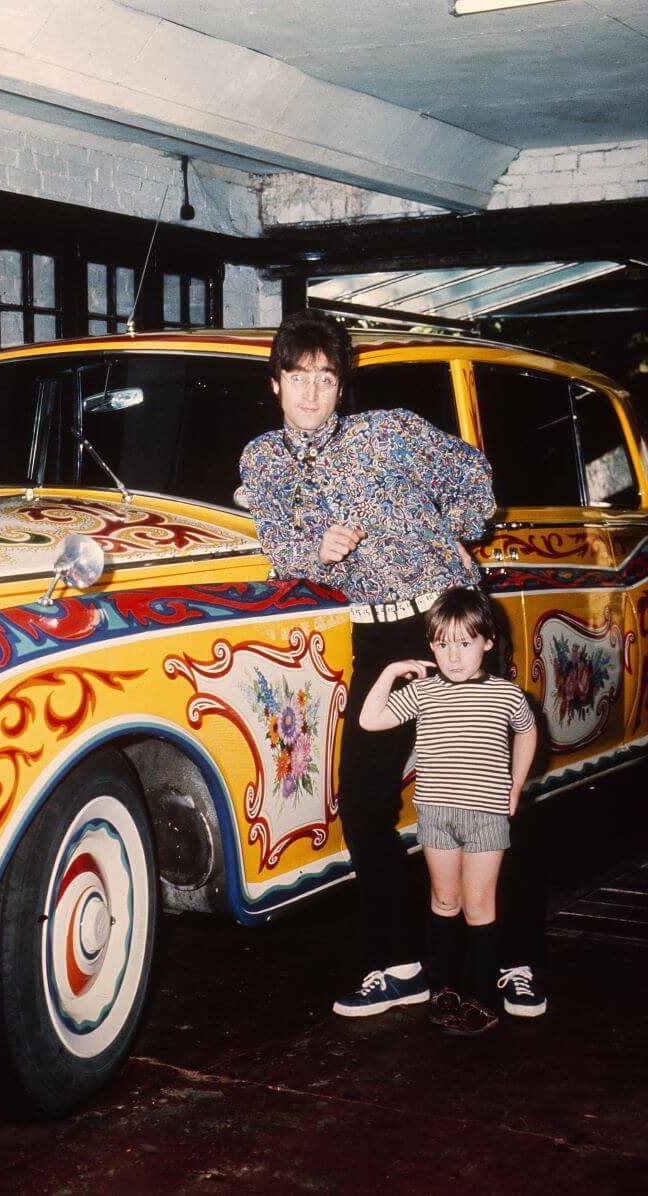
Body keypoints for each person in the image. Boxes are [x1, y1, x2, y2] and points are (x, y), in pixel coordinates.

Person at [235, 307, 518, 1017]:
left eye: (324, 379)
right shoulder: (262, 460)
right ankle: (404, 962)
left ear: (341, 386)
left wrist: (456, 534)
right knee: (362, 804)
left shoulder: (387, 431)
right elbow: (278, 545)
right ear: (276, 384)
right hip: (375, 635)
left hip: (446, 622)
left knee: (485, 797)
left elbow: (472, 473)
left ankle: (516, 959)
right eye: (297, 378)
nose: (310, 393)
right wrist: (315, 553)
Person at [358, 588, 537, 1035]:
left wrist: (515, 785)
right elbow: (370, 720)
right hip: (436, 814)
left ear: (488, 642)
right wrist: (390, 671)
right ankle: (446, 989)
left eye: (464, 643)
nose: (453, 656)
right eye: (441, 644)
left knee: (479, 906)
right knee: (444, 900)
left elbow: (528, 732)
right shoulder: (423, 691)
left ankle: (483, 996)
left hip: (485, 817)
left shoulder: (505, 695)